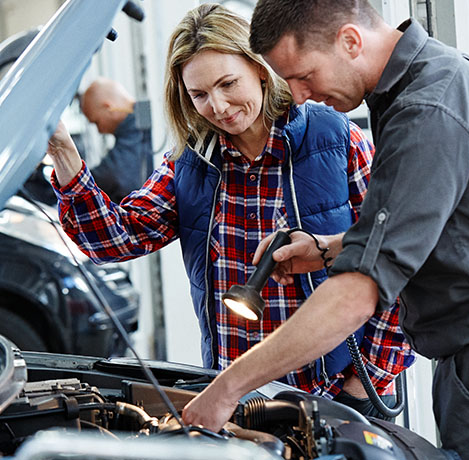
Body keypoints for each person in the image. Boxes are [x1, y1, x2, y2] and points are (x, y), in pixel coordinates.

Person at [182, 1, 469, 459]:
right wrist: (328, 249)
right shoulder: (431, 81)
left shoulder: (428, 107)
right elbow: (428, 223)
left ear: (350, 40)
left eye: (304, 75)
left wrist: (228, 388)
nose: (300, 95)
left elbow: (356, 294)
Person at [47, 3, 414, 421]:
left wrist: (366, 383)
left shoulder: (337, 140)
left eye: (227, 83)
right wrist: (64, 153)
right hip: (233, 398)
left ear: (259, 67)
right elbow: (113, 240)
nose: (218, 107)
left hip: (331, 395)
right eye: (199, 94)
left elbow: (393, 265)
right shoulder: (189, 163)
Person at [80, 77, 153, 203]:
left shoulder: (141, 127)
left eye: (96, 122)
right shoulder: (141, 118)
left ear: (108, 107)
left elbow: (115, 176)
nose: (99, 131)